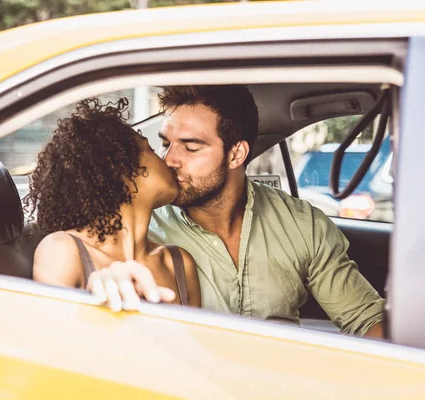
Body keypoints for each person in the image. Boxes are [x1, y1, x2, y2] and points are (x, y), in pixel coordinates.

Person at [147, 85, 384, 337]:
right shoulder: (146, 230)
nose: (168, 160)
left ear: (236, 154)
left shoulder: (302, 224)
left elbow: (366, 320)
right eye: (165, 144)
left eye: (190, 147)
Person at [25, 98, 200, 311]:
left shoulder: (178, 263)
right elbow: (45, 337)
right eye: (151, 149)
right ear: (122, 169)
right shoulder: (62, 249)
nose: (167, 161)